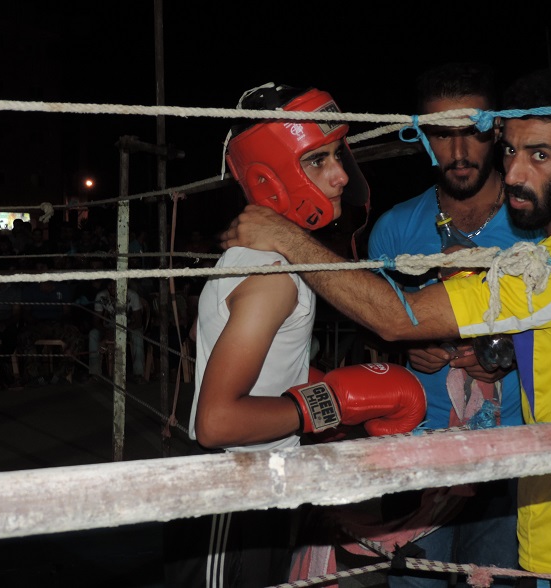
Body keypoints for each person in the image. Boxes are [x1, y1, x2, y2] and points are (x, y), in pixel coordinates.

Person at [220, 68, 551, 584]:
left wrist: (284, 236)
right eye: (512, 150)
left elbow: (396, 317)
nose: (515, 173)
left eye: (540, 156)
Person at [164, 82, 427, 588]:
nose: (339, 175)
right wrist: (327, 404)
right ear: (270, 177)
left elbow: (207, 338)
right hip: (232, 492)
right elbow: (215, 422)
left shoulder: (272, 261)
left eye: (337, 155)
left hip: (255, 481)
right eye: (317, 160)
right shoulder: (273, 275)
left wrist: (309, 381)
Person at [368, 63, 543, 587]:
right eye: (442, 134)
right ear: (422, 137)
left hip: (510, 454)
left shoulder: (539, 226)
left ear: (497, 130)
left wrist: (509, 353)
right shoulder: (394, 229)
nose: (459, 151)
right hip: (415, 448)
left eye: (472, 131)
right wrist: (404, 349)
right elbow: (372, 328)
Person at [87, 279, 147, 385]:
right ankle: (94, 374)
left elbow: (138, 322)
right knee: (93, 334)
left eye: (115, 283)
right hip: (109, 327)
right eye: (110, 284)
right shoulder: (101, 296)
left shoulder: (132, 295)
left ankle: (138, 374)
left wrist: (121, 330)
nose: (112, 286)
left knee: (137, 335)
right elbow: (96, 321)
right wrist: (106, 331)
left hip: (128, 327)